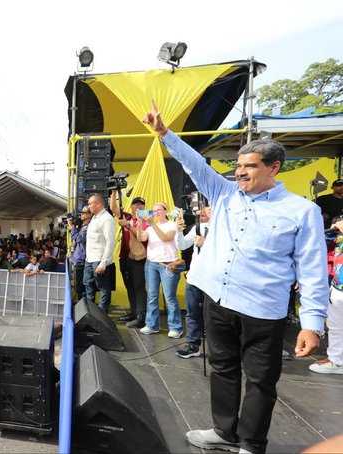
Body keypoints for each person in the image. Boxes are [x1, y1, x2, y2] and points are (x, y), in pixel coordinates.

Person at [144, 100, 328, 454]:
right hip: (219, 300)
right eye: (239, 166)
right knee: (223, 368)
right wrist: (165, 134)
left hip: (263, 310)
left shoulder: (302, 211)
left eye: (250, 166)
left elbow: (312, 268)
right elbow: (194, 164)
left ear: (274, 167)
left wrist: (312, 322)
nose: (241, 172)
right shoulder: (224, 193)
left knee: (260, 381)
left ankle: (251, 445)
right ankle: (224, 432)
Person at [136, 202, 183, 338]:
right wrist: (139, 224)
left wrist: (152, 223)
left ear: (165, 211)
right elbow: (141, 238)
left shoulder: (173, 225)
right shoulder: (150, 228)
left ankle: (175, 327)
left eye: (159, 210)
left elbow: (165, 238)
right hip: (151, 264)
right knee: (152, 296)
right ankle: (152, 325)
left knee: (169, 297)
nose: (156, 213)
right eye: (154, 210)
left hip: (168, 264)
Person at [174, 205, 211, 358]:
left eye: (208, 210)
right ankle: (193, 345)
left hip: (213, 280)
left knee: (214, 316)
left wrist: (206, 244)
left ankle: (219, 349)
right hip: (195, 277)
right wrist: (178, 231)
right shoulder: (198, 227)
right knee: (192, 313)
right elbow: (182, 245)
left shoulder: (225, 229)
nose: (203, 213)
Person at [309, 218, 343, 375]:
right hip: (338, 284)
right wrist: (334, 229)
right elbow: (322, 240)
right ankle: (337, 361)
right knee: (336, 326)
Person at [111, 193, 148, 327]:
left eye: (141, 204)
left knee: (139, 288)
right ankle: (133, 312)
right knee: (130, 286)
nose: (138, 206)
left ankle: (141, 316)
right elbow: (114, 208)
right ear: (131, 206)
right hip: (125, 257)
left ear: (144, 207)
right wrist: (115, 190)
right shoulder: (126, 216)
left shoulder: (147, 220)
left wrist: (127, 225)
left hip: (139, 260)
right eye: (135, 204)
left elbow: (141, 237)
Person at [83, 194, 117, 312]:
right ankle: (89, 312)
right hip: (89, 258)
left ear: (98, 204)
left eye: (90, 204)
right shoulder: (95, 217)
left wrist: (103, 263)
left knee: (103, 287)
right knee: (88, 284)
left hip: (99, 259)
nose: (88, 207)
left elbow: (110, 242)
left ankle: (102, 313)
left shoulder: (106, 219)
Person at [68, 206, 92, 301]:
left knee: (82, 286)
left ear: (90, 215)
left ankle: (83, 304)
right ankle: (80, 304)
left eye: (83, 213)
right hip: (78, 258)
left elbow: (80, 239)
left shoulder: (89, 226)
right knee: (78, 285)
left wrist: (72, 228)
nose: (81, 214)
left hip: (82, 259)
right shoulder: (82, 225)